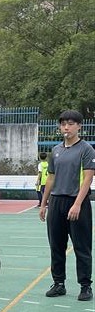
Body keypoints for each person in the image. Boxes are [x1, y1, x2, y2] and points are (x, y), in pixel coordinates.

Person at [40, 109, 94, 302]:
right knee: (56, 245)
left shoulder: (86, 150)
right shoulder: (56, 150)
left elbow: (88, 178)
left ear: (79, 126)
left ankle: (85, 286)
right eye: (63, 124)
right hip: (56, 203)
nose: (66, 127)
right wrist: (44, 204)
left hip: (77, 202)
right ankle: (59, 283)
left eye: (70, 124)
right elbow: (50, 179)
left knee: (82, 246)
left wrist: (77, 204)